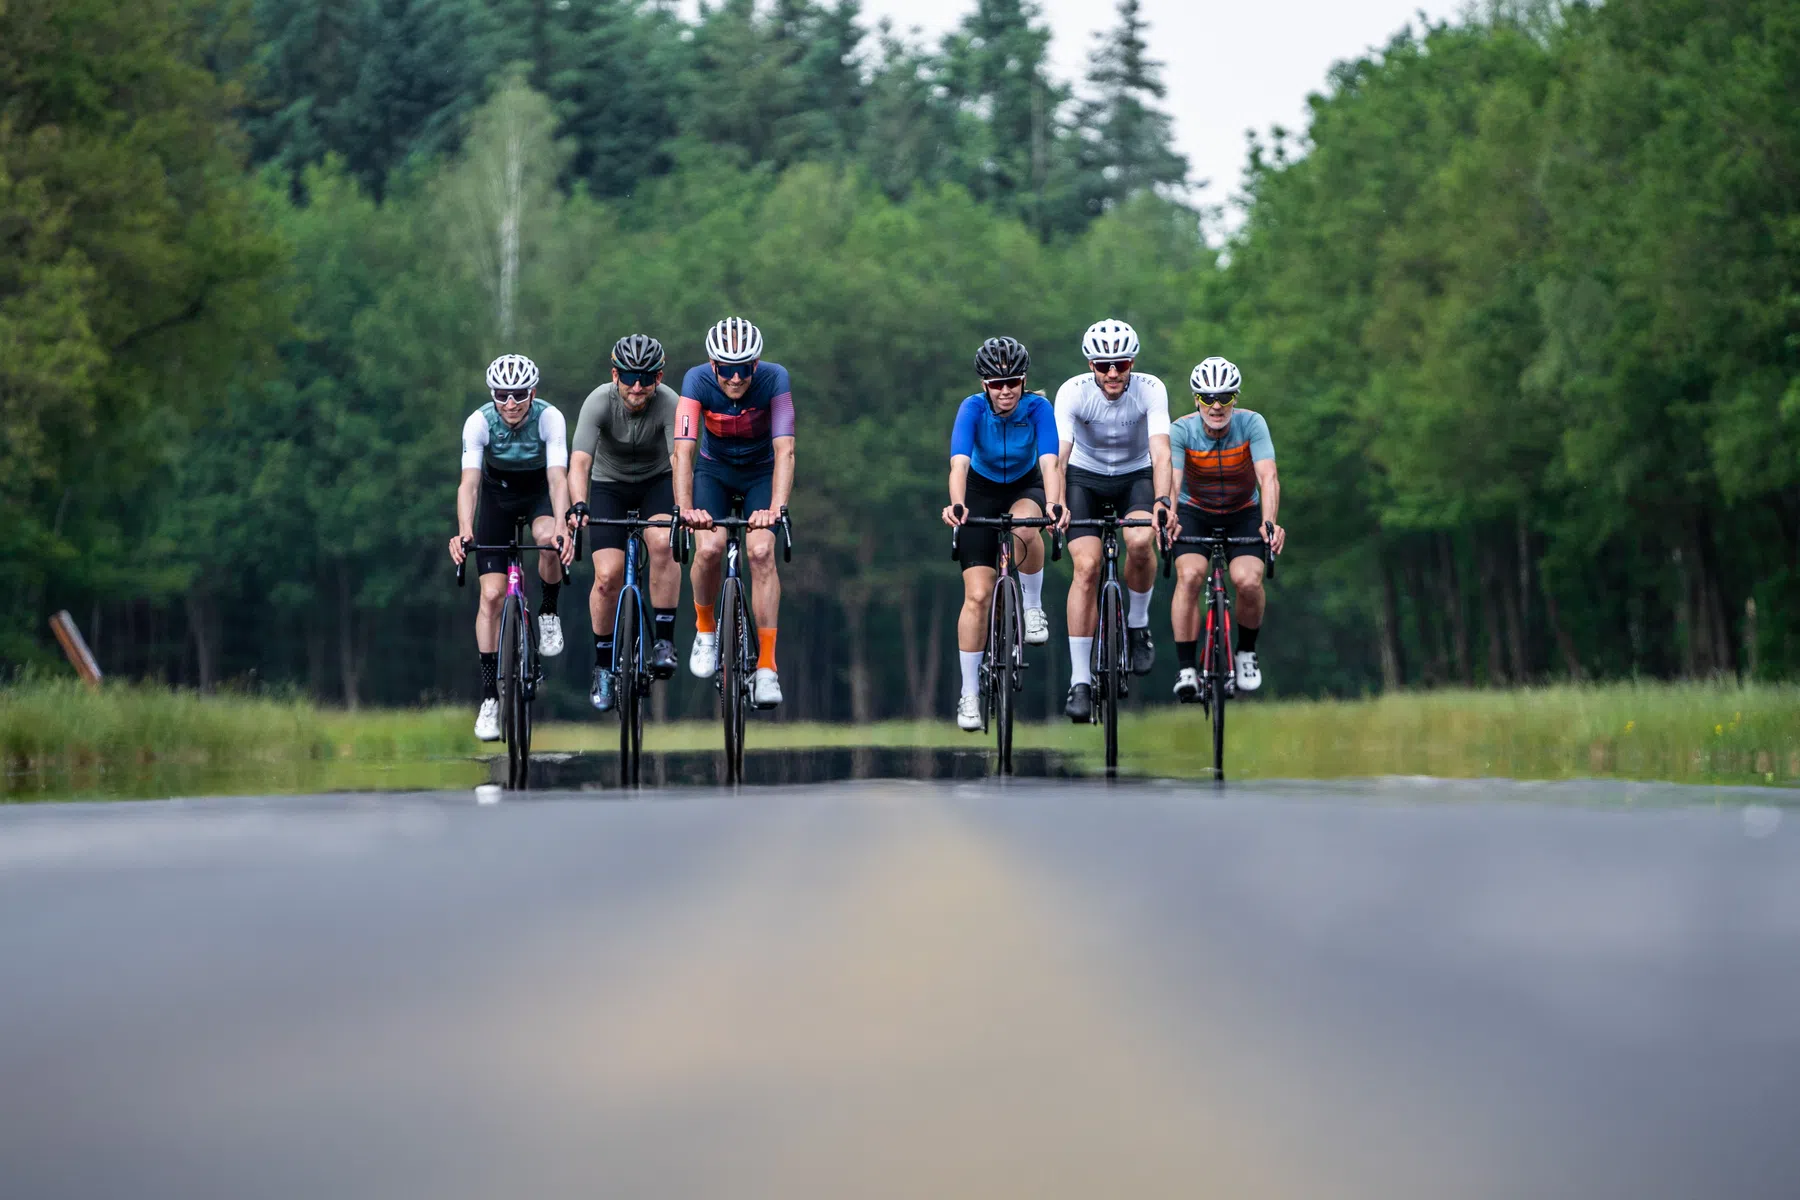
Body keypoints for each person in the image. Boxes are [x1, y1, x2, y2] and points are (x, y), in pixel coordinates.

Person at [1053, 318, 1174, 721]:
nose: (1112, 373)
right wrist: (1056, 502)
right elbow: (1059, 456)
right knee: (1086, 568)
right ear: (1090, 365)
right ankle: (1080, 681)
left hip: (1135, 477)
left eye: (1120, 364)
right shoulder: (1072, 392)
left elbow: (1161, 451)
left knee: (1140, 542)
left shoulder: (1151, 389)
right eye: (1103, 365)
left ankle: (1137, 625)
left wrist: (1162, 500)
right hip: (1084, 480)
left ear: (1132, 362)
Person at [448, 353, 574, 741]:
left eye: (519, 394)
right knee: (491, 595)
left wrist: (563, 528)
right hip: (497, 501)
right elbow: (469, 484)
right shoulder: (479, 422)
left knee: (546, 541)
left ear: (532, 392)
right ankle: (490, 698)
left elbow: (557, 479)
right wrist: (464, 531)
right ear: (493, 394)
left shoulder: (549, 418)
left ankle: (548, 613)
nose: (511, 403)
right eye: (502, 395)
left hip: (538, 495)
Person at [942, 337, 1064, 731]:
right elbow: (959, 464)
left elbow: (1050, 463)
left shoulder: (1039, 408)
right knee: (977, 594)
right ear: (984, 386)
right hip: (979, 490)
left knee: (1029, 525)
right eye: (996, 383)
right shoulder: (972, 409)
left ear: (1024, 380)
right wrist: (957, 504)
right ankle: (969, 694)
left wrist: (1055, 504)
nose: (1005, 390)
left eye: (1013, 381)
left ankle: (1031, 606)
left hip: (1025, 485)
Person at [672, 317, 794, 709]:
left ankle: (767, 668)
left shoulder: (775, 379)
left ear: (756, 365)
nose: (736, 378)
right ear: (713, 365)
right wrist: (685, 508)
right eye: (727, 369)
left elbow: (785, 451)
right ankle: (705, 630)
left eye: (744, 369)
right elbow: (684, 452)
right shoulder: (696, 381)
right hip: (714, 472)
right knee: (708, 548)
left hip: (760, 473)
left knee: (760, 552)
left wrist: (776, 509)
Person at [567, 334, 682, 712]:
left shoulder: (670, 403)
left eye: (646, 378)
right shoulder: (598, 401)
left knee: (663, 543)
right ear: (615, 374)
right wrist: (579, 504)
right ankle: (603, 666)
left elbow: (680, 458)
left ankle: (663, 640)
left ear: (659, 377)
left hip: (657, 482)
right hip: (608, 485)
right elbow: (580, 461)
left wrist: (684, 506)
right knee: (607, 576)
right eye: (630, 376)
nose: (637, 386)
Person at [1168, 356, 1285, 698]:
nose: (1216, 406)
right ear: (1196, 400)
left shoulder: (1252, 424)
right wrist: (1170, 515)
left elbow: (1269, 476)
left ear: (1236, 397)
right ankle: (1187, 668)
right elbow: (1173, 481)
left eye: (1225, 397)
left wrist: (1270, 522)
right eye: (1208, 398)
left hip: (1242, 511)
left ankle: (1246, 651)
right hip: (1194, 511)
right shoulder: (1181, 430)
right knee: (1189, 576)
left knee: (1247, 580)